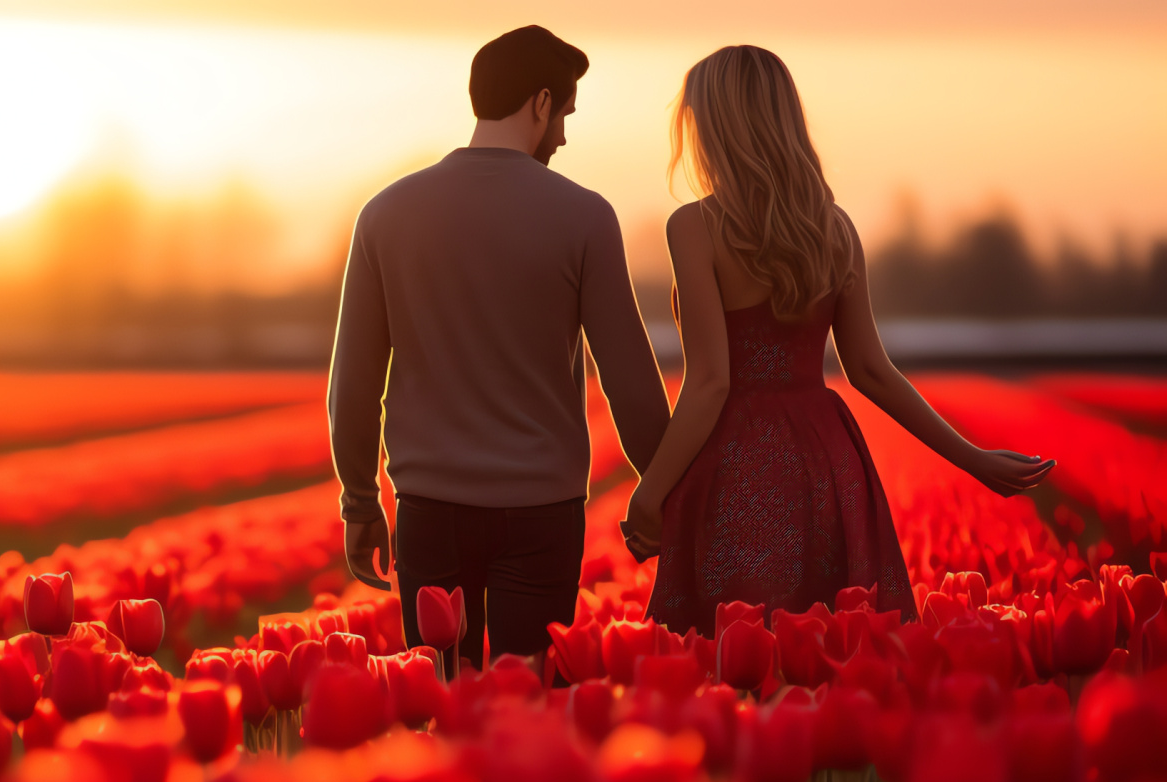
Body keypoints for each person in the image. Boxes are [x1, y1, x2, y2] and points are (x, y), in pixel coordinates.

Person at [626, 45, 1054, 637]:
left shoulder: (695, 227)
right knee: (828, 650)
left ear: (715, 126)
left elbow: (710, 382)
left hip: (736, 462)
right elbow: (872, 370)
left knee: (737, 650)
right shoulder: (833, 228)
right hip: (826, 461)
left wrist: (649, 494)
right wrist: (973, 461)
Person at [328, 25, 671, 677]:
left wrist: (360, 502)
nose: (564, 137)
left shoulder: (385, 215)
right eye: (565, 114)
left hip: (429, 509)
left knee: (445, 699)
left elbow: (354, 382)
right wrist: (668, 493)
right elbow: (630, 384)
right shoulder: (584, 217)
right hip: (543, 513)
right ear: (541, 104)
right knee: (530, 714)